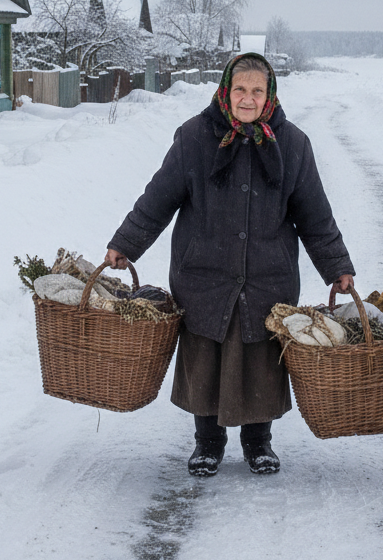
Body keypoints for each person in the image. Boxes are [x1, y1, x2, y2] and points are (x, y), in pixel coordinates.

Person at [104, 53, 355, 477]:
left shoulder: (292, 144)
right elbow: (158, 198)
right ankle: (208, 442)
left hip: (267, 274)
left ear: (269, 94)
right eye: (240, 89)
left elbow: (315, 214)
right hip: (204, 271)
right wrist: (125, 243)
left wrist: (337, 266)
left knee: (260, 359)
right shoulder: (194, 137)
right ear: (225, 90)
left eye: (257, 91)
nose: (248, 99)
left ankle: (259, 443)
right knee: (206, 358)